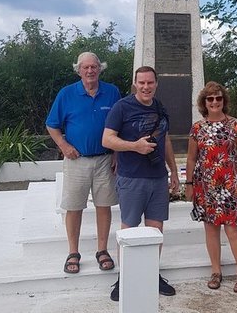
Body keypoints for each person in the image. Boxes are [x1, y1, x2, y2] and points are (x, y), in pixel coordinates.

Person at [102, 66, 179, 301]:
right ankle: (124, 277)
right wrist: (134, 146)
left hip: (157, 178)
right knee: (129, 231)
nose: (146, 87)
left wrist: (173, 170)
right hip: (132, 178)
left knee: (155, 231)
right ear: (135, 83)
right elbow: (107, 139)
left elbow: (164, 141)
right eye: (141, 83)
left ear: (156, 84)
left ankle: (151, 274)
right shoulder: (122, 107)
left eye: (150, 83)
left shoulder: (160, 108)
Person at [46, 52, 121, 275]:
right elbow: (52, 124)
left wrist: (117, 152)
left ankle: (102, 250)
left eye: (94, 67)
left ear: (100, 68)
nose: (90, 71)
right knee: (74, 207)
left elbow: (121, 123)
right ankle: (73, 252)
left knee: (104, 205)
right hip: (76, 160)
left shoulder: (112, 92)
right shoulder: (66, 94)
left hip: (105, 159)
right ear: (78, 70)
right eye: (85, 67)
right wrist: (63, 145)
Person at [185, 82, 237, 293]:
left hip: (230, 185)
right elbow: (191, 158)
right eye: (210, 99)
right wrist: (188, 184)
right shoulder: (197, 128)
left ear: (224, 101)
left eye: (218, 98)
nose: (215, 102)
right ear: (204, 102)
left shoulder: (235, 125)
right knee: (211, 229)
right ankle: (216, 271)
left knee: (233, 229)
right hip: (206, 186)